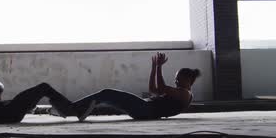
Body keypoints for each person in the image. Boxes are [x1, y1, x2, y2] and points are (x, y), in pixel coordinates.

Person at [72, 52, 200, 121]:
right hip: (143, 110)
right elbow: (153, 90)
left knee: (107, 93)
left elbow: (161, 88)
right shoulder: (181, 93)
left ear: (188, 79)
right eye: (175, 79)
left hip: (145, 109)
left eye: (178, 79)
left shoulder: (185, 94)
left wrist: (160, 67)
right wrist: (154, 68)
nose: (176, 81)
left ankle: (72, 108)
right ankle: (79, 109)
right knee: (106, 98)